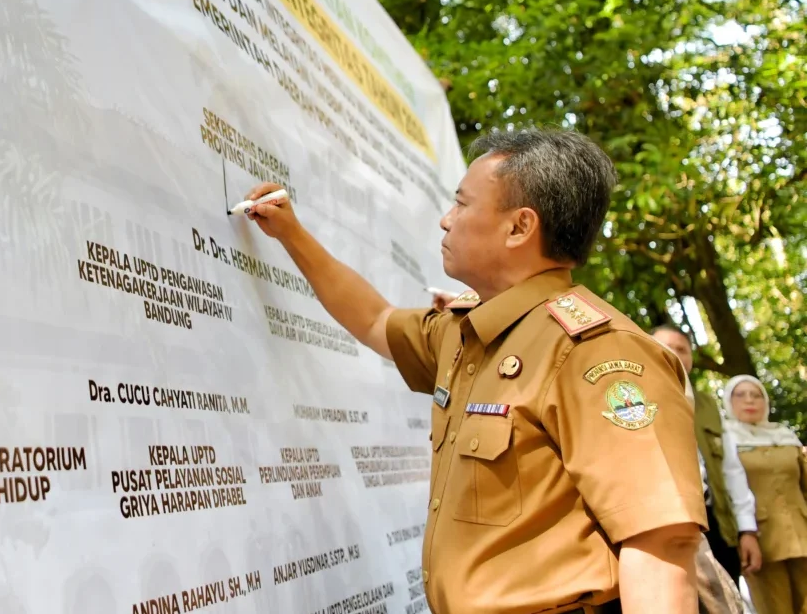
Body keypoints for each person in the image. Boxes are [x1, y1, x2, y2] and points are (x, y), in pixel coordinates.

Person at [244, 127, 706, 613]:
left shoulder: (598, 353)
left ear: (519, 227)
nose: (447, 221)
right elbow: (376, 320)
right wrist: (291, 234)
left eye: (462, 204)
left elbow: (661, 545)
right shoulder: (468, 333)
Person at [652, 326, 763, 584]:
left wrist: (747, 530)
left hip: (717, 524)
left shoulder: (707, 405)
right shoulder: (634, 398)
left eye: (682, 349)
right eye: (666, 346)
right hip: (669, 525)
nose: (675, 354)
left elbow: (732, 470)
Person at [722, 375, 807, 614]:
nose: (750, 400)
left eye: (756, 394)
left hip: (802, 533)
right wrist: (743, 534)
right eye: (741, 394)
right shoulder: (724, 440)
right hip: (760, 541)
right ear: (729, 401)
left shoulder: (785, 436)